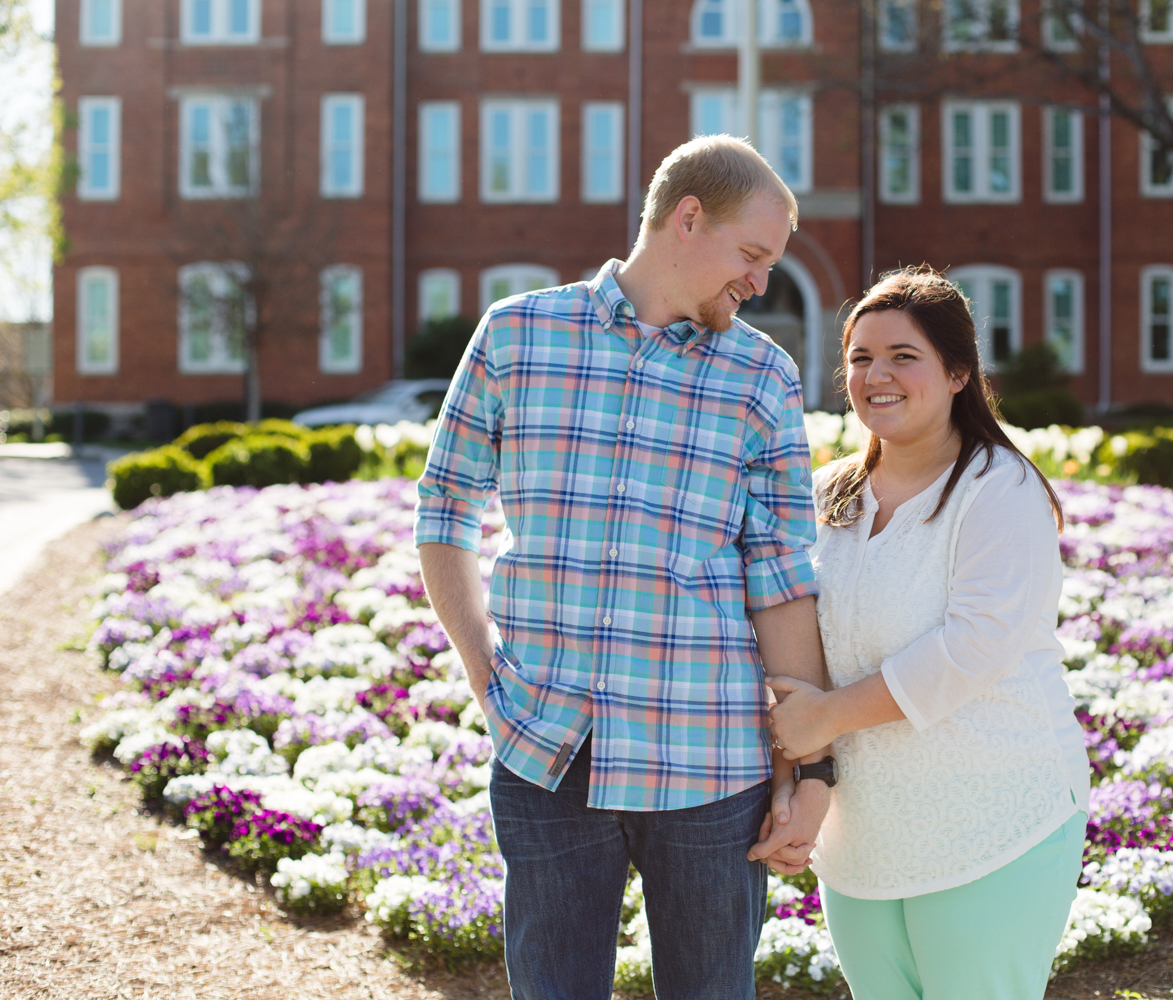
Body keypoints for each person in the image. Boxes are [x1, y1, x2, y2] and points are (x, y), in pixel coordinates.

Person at [414, 136, 835, 1000]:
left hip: (712, 767)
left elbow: (782, 579)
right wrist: (484, 675)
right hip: (547, 751)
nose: (761, 283)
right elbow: (445, 506)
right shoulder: (517, 335)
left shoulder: (763, 376)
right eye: (752, 256)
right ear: (689, 219)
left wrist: (810, 765)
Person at [765, 267, 1092, 1000]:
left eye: (902, 356)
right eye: (859, 358)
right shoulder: (829, 495)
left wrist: (823, 716)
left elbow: (971, 649)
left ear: (957, 372)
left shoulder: (998, 488)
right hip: (866, 839)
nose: (875, 375)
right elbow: (794, 646)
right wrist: (801, 780)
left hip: (997, 820)